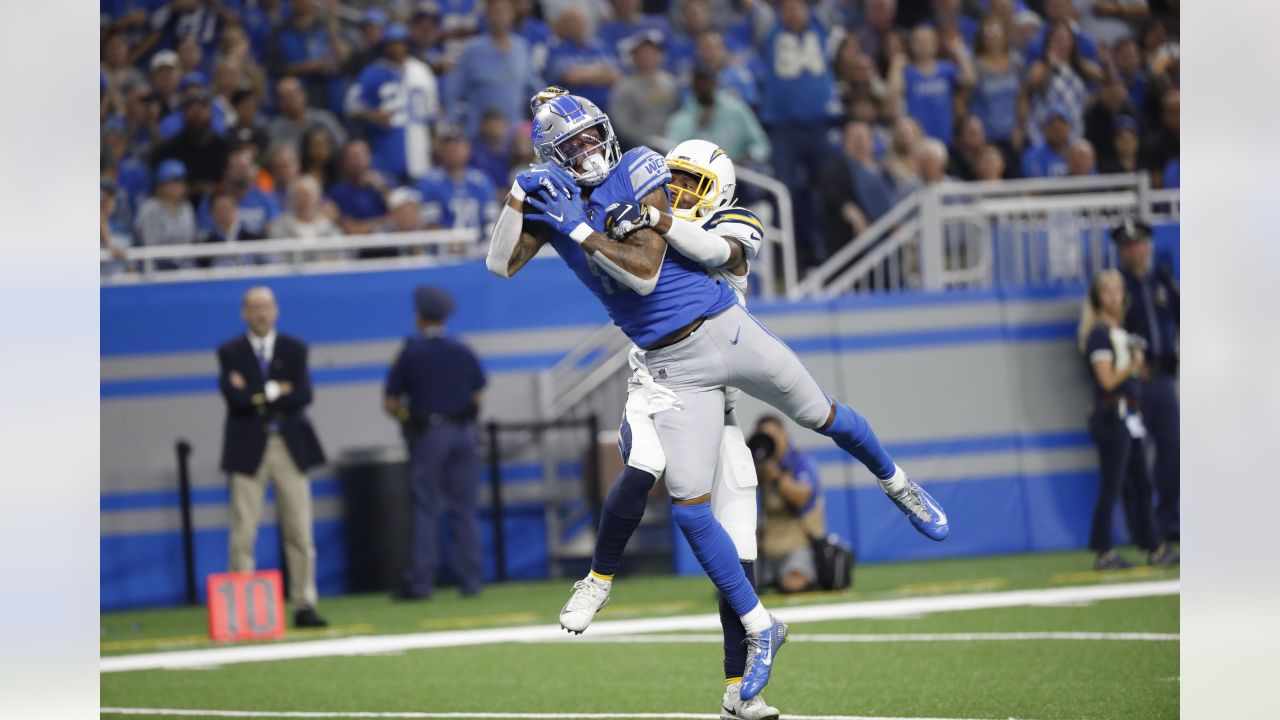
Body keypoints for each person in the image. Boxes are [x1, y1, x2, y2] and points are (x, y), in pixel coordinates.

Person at [488, 93, 948, 705]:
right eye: (575, 145)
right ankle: (754, 639)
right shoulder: (572, 198)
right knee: (686, 504)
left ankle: (898, 483)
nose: (679, 189)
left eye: (694, 182)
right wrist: (520, 198)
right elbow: (500, 265)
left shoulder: (656, 179)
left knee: (822, 415)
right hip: (673, 373)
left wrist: (630, 221)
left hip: (727, 333)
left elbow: (655, 269)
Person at [554, 137, 779, 720]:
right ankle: (597, 579)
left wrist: (651, 217)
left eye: (694, 183)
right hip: (657, 390)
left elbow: (715, 250)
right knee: (646, 464)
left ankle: (738, 690)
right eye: (672, 176)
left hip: (718, 412)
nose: (679, 190)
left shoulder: (724, 226)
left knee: (740, 558)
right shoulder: (646, 225)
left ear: (721, 191)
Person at [218, 287, 328, 628]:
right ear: (244, 313)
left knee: (299, 530)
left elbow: (304, 395)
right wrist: (278, 390)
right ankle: (242, 609)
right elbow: (234, 397)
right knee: (243, 531)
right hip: (247, 447)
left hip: (288, 447)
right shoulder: (231, 351)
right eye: (254, 307)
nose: (261, 313)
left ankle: (304, 603)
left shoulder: (294, 348)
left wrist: (257, 393)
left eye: (266, 306)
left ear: (276, 310)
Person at [384, 286, 487, 599]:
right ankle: (470, 582)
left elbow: (390, 402)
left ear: (419, 318)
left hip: (431, 435)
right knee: (465, 510)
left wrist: (408, 417)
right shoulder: (462, 350)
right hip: (464, 434)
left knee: (427, 508)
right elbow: (478, 395)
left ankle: (421, 583)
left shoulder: (410, 353)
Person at [1076, 270, 1177, 570]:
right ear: (1097, 298)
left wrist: (1137, 371)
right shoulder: (1098, 334)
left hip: (1130, 415)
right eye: (1107, 292)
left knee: (1142, 484)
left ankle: (1156, 546)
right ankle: (1103, 552)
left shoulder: (1120, 333)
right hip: (1112, 416)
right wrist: (1132, 366)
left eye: (1118, 291)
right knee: (1113, 485)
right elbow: (1107, 381)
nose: (1114, 298)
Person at [757, 0, 842, 269]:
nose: (793, 12)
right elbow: (756, 10)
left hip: (820, 126)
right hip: (784, 129)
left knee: (830, 185)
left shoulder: (821, 24)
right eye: (788, 7)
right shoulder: (770, 30)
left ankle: (828, 249)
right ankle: (792, 254)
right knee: (784, 188)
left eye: (798, 7)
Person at [1112, 218, 1179, 543]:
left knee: (1171, 451)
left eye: (1138, 243)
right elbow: (1113, 330)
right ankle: (1141, 530)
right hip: (1134, 383)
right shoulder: (1117, 288)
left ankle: (1170, 521)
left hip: (1165, 378)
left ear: (1148, 246)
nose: (1134, 250)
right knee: (1134, 458)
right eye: (1127, 245)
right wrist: (1134, 360)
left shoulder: (1161, 282)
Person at [346, 23, 440, 184]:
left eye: (400, 43)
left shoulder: (422, 72)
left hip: (420, 155)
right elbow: (350, 107)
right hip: (384, 156)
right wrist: (372, 115)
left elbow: (431, 116)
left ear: (407, 45)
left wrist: (435, 145)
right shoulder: (372, 73)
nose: (396, 48)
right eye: (392, 44)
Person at [446, 0, 544, 140]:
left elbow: (534, 88)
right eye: (495, 12)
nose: (500, 17)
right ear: (487, 17)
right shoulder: (472, 50)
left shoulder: (521, 48)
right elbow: (453, 91)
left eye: (504, 12)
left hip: (513, 135)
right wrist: (455, 122)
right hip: (479, 133)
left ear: (512, 16)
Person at [750, 416, 825, 593]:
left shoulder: (801, 462)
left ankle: (795, 576)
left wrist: (775, 476)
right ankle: (772, 578)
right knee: (731, 590)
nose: (770, 443)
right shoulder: (756, 466)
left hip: (798, 544)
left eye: (773, 436)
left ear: (785, 437)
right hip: (765, 549)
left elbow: (802, 498)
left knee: (794, 585)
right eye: (764, 438)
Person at [888, 24, 975, 146]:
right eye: (918, 41)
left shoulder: (947, 69)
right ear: (911, 46)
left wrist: (959, 52)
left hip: (945, 139)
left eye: (927, 41)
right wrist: (895, 66)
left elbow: (969, 80)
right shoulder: (907, 72)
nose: (923, 45)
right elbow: (892, 93)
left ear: (936, 44)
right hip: (917, 142)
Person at [664, 68, 771, 167]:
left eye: (708, 82)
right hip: (698, 175)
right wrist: (696, 125)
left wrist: (749, 157)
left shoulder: (736, 109)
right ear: (694, 87)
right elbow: (669, 151)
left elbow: (761, 145)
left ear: (715, 84)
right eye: (700, 84)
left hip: (739, 174)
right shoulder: (683, 117)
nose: (705, 87)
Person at [818, 120, 893, 255]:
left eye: (864, 137)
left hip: (887, 239)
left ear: (872, 141)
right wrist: (853, 214)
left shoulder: (884, 170)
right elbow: (834, 196)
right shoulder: (835, 169)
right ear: (844, 142)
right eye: (855, 138)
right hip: (853, 244)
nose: (860, 142)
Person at [267, 0, 348, 115]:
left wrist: (332, 22)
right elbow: (275, 67)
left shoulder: (325, 28)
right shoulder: (280, 30)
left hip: (327, 97)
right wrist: (311, 67)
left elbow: (342, 62)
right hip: (294, 99)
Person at [415, 129, 498, 240]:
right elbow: (430, 225)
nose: (454, 148)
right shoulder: (430, 182)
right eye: (448, 144)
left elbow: (492, 221)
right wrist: (453, 241)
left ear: (468, 149)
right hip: (445, 251)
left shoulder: (482, 182)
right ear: (440, 150)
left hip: (479, 251)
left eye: (459, 143)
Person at [150, 85, 230, 200]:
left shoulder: (222, 147)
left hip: (215, 208)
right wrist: (192, 189)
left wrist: (214, 189)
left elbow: (230, 184)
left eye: (203, 108)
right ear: (184, 113)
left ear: (210, 113)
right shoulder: (169, 149)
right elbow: (157, 187)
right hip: (178, 207)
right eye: (192, 109)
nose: (198, 114)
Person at [607, 32, 679, 150]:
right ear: (634, 56)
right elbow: (623, 126)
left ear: (659, 55)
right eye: (643, 53)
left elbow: (678, 115)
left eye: (652, 52)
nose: (648, 56)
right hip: (641, 146)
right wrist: (648, 141)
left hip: (672, 139)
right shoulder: (623, 87)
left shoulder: (670, 82)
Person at [969, 13, 1024, 165]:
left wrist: (1019, 127)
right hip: (986, 138)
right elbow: (964, 101)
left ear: (1005, 35)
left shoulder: (1016, 63)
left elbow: (1022, 98)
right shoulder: (975, 65)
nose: (993, 37)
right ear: (981, 37)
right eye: (988, 33)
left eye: (997, 32)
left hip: (1012, 136)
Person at [545, 6, 621, 110]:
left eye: (581, 22)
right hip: (573, 109)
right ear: (563, 25)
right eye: (573, 22)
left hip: (606, 107)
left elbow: (615, 76)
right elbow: (571, 77)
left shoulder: (599, 46)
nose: (578, 26)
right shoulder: (556, 48)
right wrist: (599, 72)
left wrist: (585, 74)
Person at [134, 160, 197, 266]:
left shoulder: (187, 207)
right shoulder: (149, 208)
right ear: (161, 185)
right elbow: (151, 245)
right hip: (156, 267)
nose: (177, 185)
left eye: (180, 181)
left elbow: (190, 240)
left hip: (184, 265)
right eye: (172, 181)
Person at [267, 77, 348, 156]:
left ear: (303, 94)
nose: (291, 100)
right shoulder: (275, 129)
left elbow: (342, 144)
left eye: (294, 94)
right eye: (285, 97)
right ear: (279, 102)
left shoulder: (324, 118)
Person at [326, 140, 390, 236]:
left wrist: (382, 189)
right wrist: (384, 222)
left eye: (361, 156)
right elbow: (351, 230)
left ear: (369, 158)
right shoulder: (337, 192)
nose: (358, 162)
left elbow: (403, 217)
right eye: (353, 157)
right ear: (344, 161)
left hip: (389, 245)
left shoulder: (381, 185)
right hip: (357, 248)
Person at [273, 176, 342, 241]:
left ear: (317, 198)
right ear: (292, 198)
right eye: (299, 195)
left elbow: (339, 249)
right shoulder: (282, 226)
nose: (304, 200)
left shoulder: (328, 226)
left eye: (307, 195)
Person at [1020, 105, 1073, 178]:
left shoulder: (1078, 153)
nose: (1057, 126)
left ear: (1069, 127)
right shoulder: (1033, 156)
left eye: (1062, 122)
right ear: (1046, 129)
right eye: (1052, 123)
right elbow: (1035, 185)